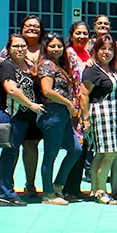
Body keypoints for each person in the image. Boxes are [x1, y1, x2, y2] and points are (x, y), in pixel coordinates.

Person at [0, 34, 45, 206]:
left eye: (23, 46)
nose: (20, 49)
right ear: (8, 49)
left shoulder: (28, 65)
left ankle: (0, 191)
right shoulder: (7, 65)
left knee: (12, 153)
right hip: (12, 115)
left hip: (25, 119)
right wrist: (32, 105)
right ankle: (6, 193)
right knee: (10, 153)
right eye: (15, 46)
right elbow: (11, 90)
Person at [36, 33, 83, 205]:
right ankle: (48, 194)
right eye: (52, 46)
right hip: (52, 113)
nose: (56, 49)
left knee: (76, 149)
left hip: (62, 114)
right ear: (46, 48)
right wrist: (69, 103)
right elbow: (47, 90)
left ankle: (58, 185)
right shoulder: (47, 65)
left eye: (59, 46)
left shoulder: (60, 65)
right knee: (50, 155)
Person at [81, 35, 117, 205]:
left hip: (116, 115)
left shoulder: (113, 69)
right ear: (96, 50)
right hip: (102, 115)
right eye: (102, 49)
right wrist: (86, 119)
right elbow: (84, 95)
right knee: (109, 154)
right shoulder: (92, 70)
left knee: (101, 154)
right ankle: (101, 191)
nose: (106, 52)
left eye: (110, 49)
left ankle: (96, 189)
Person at [63, 21, 90, 201]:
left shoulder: (89, 54)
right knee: (75, 148)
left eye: (85, 33)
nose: (81, 37)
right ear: (71, 35)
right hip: (74, 107)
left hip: (86, 106)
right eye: (78, 33)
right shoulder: (68, 54)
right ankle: (66, 188)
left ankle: (76, 187)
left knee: (85, 148)